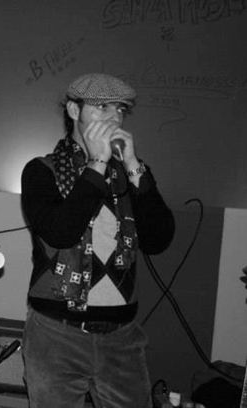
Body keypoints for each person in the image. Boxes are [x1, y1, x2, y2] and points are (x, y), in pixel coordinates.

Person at [20, 72, 175, 408]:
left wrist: (132, 164)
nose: (114, 118)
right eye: (102, 107)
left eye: (120, 109)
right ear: (74, 111)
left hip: (123, 337)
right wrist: (98, 163)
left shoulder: (133, 174)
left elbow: (159, 240)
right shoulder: (41, 171)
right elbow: (61, 232)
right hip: (56, 333)